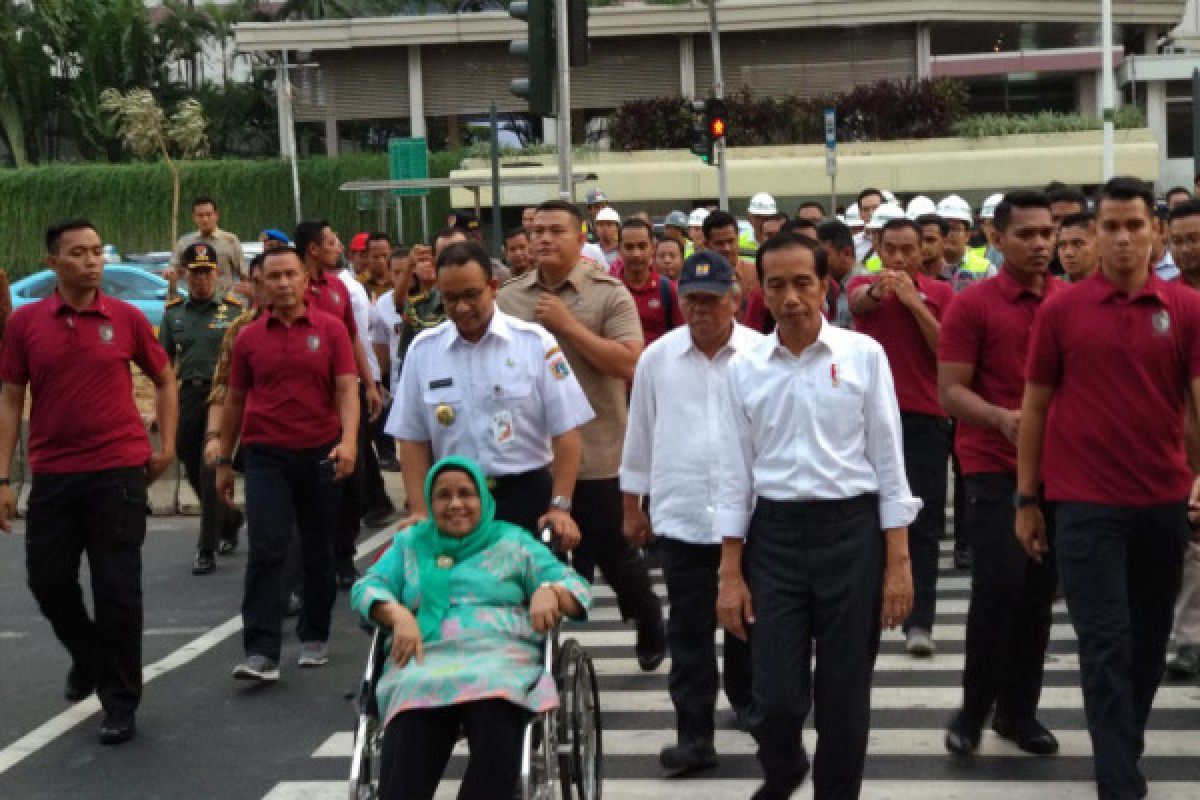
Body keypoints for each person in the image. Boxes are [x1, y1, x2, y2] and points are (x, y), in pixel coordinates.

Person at [715, 232, 918, 800]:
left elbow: (888, 462)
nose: (791, 297)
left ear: (826, 285)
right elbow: (736, 472)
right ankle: (783, 770)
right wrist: (730, 572)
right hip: (774, 539)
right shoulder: (746, 365)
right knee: (775, 698)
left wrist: (897, 564)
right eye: (776, 285)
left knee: (844, 698)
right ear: (763, 291)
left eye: (802, 283)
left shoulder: (862, 355)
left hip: (851, 536)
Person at [1017, 176, 1200, 800]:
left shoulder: (1185, 311)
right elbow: (1035, 408)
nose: (1123, 238)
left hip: (1161, 503)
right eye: (1111, 227)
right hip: (1085, 506)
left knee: (1148, 645)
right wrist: (1027, 500)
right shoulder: (1061, 312)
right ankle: (1116, 776)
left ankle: (1125, 743)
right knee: (1102, 641)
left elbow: (1197, 407)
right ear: (1095, 235)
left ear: (1156, 236)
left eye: (1135, 227)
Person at [0, 218, 178, 745]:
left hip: (118, 473)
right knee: (47, 580)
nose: (93, 261)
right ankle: (87, 654)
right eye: (79, 253)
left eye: (98, 251)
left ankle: (120, 701)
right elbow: (10, 398)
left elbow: (164, 377)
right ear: (53, 262)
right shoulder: (26, 324)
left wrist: (165, 446)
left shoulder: (124, 318)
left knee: (117, 591)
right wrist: (3, 477)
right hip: (53, 475)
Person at [351, 456, 590, 800]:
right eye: (444, 496)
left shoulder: (515, 543)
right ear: (430, 504)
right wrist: (397, 614)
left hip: (499, 658)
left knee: (497, 707)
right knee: (410, 713)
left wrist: (549, 592)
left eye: (466, 494)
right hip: (425, 657)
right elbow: (368, 586)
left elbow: (575, 586)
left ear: (483, 499)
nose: (456, 504)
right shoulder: (411, 543)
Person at [497, 200, 666, 671]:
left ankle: (648, 616)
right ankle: (530, 652)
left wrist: (568, 326)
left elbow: (631, 363)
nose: (543, 240)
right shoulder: (509, 299)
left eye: (556, 231)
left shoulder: (608, 295)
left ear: (579, 239)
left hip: (597, 450)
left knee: (614, 552)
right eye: (537, 232)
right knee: (526, 553)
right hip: (530, 453)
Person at [621, 250, 762, 776]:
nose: (701, 311)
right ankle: (694, 735)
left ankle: (752, 707)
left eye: (712, 300)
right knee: (690, 632)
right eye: (691, 301)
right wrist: (631, 504)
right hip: (680, 516)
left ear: (736, 301)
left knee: (751, 621)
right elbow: (640, 434)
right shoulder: (657, 358)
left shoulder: (760, 354)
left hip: (750, 517)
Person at [938, 192, 1063, 757]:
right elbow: (950, 392)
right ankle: (973, 709)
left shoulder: (1070, 302)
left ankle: (1018, 713)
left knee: (1038, 596)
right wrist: (999, 418)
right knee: (999, 589)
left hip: (1062, 473)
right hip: (992, 469)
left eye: (1048, 233)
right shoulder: (973, 306)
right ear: (997, 237)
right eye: (1027, 234)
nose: (1040, 244)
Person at [386, 240, 593, 545]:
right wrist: (420, 510)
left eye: (471, 295)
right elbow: (412, 437)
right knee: (459, 591)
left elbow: (567, 430)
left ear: (493, 286)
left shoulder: (534, 343)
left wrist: (560, 507)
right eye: (450, 298)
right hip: (455, 502)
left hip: (525, 497)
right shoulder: (424, 350)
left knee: (533, 590)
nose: (461, 307)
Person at [217, 246, 359, 682]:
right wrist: (224, 458)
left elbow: (346, 390)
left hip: (320, 451)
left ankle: (314, 632)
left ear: (304, 279)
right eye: (272, 277)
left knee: (317, 549)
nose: (281, 284)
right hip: (265, 456)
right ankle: (261, 651)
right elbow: (235, 399)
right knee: (267, 547)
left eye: (289, 275)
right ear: (261, 283)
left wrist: (349, 442)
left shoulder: (331, 330)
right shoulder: (248, 338)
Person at [848, 218, 955, 657]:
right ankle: (867, 614)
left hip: (924, 419)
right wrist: (881, 290)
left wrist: (915, 303)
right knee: (868, 521)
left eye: (907, 250)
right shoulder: (863, 285)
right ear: (876, 246)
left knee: (922, 525)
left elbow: (947, 350)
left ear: (922, 251)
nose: (897, 258)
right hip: (868, 421)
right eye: (889, 249)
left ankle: (920, 621)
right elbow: (858, 302)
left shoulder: (942, 294)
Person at [160, 242, 244, 575]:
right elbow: (162, 365)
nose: (201, 280)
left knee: (210, 469)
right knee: (189, 462)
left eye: (207, 273)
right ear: (184, 275)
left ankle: (205, 548)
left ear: (217, 274)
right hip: (189, 397)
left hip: (221, 398)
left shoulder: (233, 312)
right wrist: (160, 409)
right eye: (195, 274)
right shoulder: (174, 313)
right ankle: (230, 516)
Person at [1164, 199, 1200, 679]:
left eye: (1198, 237)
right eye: (1183, 239)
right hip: (1180, 436)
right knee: (1192, 541)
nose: (1191, 247)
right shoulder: (1164, 301)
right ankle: (1188, 638)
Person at [619, 219, 684, 347]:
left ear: (652, 249)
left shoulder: (669, 290)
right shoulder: (609, 289)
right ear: (619, 250)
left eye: (642, 246)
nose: (636, 254)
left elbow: (682, 338)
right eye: (629, 247)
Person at [169, 196, 246, 290]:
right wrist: (171, 272)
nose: (205, 219)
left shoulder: (230, 240)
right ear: (194, 217)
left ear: (216, 215)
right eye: (200, 215)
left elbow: (244, 274)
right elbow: (173, 270)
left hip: (224, 300)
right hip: (195, 301)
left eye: (208, 215)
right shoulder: (184, 242)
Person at [816, 218, 856, 329]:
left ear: (847, 253)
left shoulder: (867, 288)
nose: (816, 260)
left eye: (823, 255)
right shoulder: (819, 283)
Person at [1057, 211, 1098, 283]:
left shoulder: (1120, 288)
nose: (1068, 253)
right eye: (1062, 245)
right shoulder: (1049, 291)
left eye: (1078, 244)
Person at [360, 232, 393, 302]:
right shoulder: (357, 285)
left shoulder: (400, 281)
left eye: (385, 255)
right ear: (366, 255)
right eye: (375, 256)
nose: (381, 261)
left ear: (391, 253)